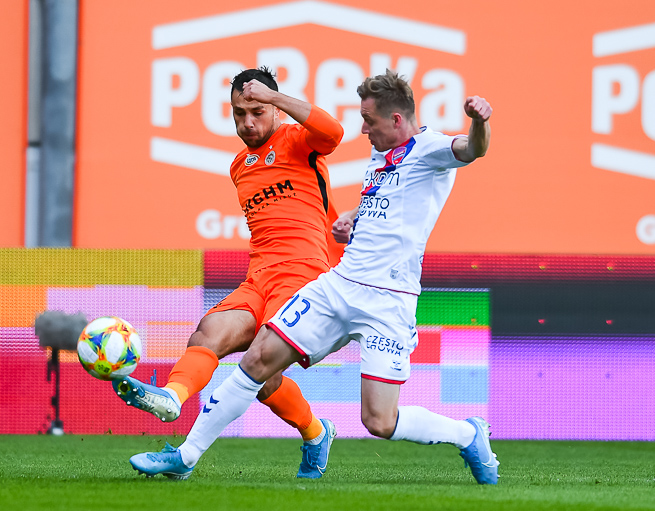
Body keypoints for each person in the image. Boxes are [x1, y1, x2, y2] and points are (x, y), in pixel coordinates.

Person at [129, 69, 499, 485]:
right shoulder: (381, 156)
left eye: (369, 120)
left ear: (396, 120)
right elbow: (389, 203)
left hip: (388, 300)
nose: (363, 130)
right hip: (339, 285)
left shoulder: (431, 149)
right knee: (257, 361)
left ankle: (467, 435)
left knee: (380, 421)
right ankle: (185, 455)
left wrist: (479, 122)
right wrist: (352, 218)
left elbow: (473, 149)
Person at [114, 67, 344, 478]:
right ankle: (172, 397)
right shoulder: (240, 165)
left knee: (261, 369)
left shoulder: (300, 140)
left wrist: (275, 97)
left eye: (257, 111)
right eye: (240, 114)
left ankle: (187, 456)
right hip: (258, 277)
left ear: (274, 109)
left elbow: (334, 131)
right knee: (209, 335)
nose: (248, 123)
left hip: (303, 276)